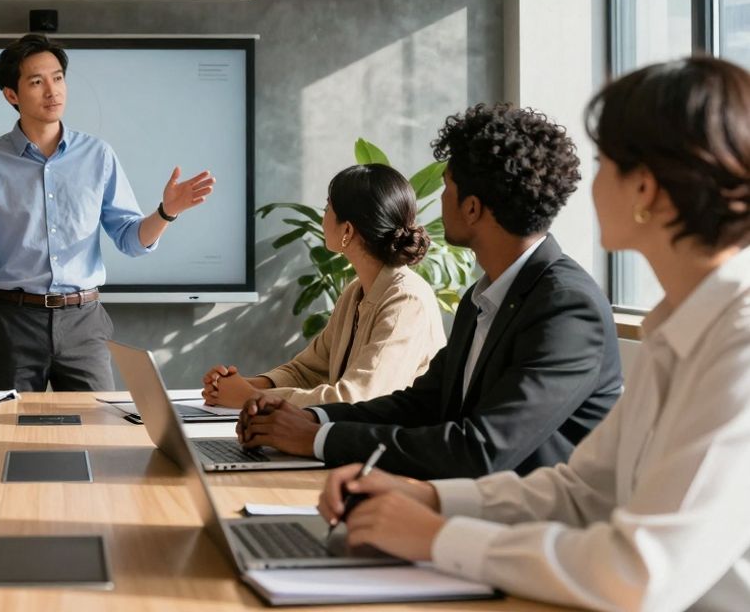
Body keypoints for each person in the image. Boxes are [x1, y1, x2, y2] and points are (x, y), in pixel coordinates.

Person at [316, 56, 750, 611]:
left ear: (645, 188)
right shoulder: (678, 326)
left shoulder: (734, 345)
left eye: (602, 163)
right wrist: (424, 497)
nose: (581, 184)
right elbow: (581, 492)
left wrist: (436, 537)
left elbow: (639, 574)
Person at [237, 104, 623, 479]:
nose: (438, 201)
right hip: (471, 511)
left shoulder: (567, 307)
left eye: (447, 187)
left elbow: (481, 450)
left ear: (472, 209)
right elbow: (423, 404)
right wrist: (310, 419)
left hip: (532, 532)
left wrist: (319, 439)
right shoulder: (483, 299)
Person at [0, 34, 216, 391]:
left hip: (84, 321)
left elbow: (130, 240)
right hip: (14, 320)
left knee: (97, 433)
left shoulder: (98, 155)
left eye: (58, 77)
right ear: (11, 95)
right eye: (36, 81)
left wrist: (166, 212)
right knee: (14, 436)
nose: (52, 91)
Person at [201, 164, 446, 408]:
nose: (323, 216)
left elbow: (358, 399)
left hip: (387, 444)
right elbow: (307, 371)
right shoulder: (355, 292)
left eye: (328, 207)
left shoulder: (406, 301)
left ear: (347, 230)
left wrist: (249, 397)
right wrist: (247, 385)